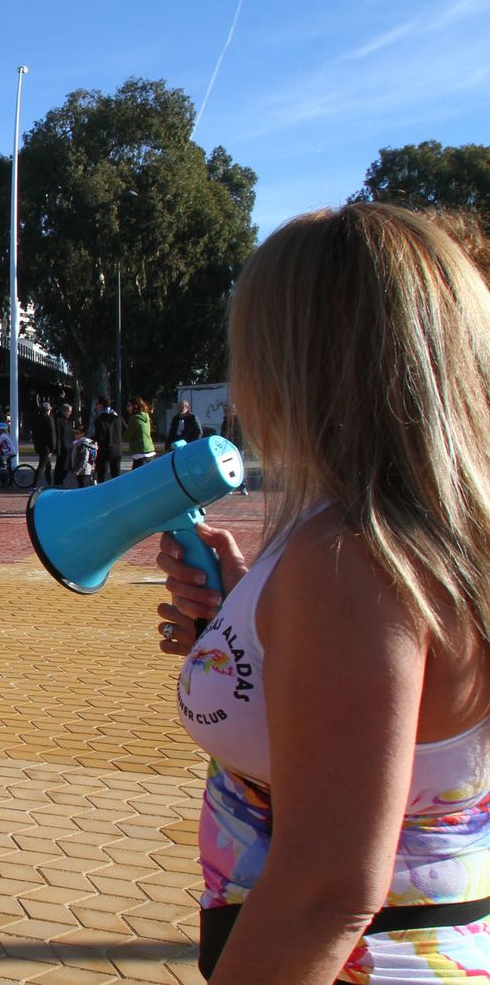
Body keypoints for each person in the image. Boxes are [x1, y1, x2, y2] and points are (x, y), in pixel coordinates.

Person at [156, 205, 490, 983]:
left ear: (298, 363)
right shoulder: (418, 530)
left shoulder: (349, 556)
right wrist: (254, 616)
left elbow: (326, 890)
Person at [91, 397, 124, 483]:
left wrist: (92, 439)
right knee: (116, 476)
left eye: (97, 404)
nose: (96, 406)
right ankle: (116, 489)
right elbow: (125, 429)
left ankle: (102, 490)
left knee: (102, 476)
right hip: (117, 449)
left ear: (101, 405)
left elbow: (100, 437)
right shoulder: (118, 418)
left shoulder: (100, 420)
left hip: (104, 451)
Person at [29, 399, 57, 490]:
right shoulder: (48, 419)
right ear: (48, 410)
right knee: (42, 466)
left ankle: (50, 483)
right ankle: (34, 484)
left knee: (48, 466)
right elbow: (52, 434)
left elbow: (34, 433)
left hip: (39, 445)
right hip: (47, 447)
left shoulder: (36, 419)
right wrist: (53, 448)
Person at [127, 398, 155, 469]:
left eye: (129, 406)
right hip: (150, 450)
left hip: (140, 452)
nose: (127, 408)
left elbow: (127, 435)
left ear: (135, 406)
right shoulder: (146, 415)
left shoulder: (134, 418)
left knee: (136, 475)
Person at [51, 402, 75, 487]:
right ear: (65, 411)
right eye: (69, 411)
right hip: (64, 446)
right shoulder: (59, 420)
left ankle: (59, 480)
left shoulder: (66, 420)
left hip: (68, 445)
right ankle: (58, 481)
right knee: (62, 465)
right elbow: (58, 434)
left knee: (65, 465)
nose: (70, 413)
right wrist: (58, 447)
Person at [69, 422, 97, 488]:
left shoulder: (84, 444)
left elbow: (85, 459)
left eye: (77, 433)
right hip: (84, 471)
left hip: (84, 471)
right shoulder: (79, 443)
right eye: (74, 433)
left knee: (83, 488)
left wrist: (78, 471)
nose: (75, 435)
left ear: (83, 434)